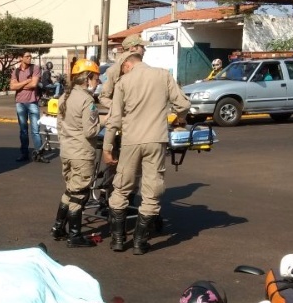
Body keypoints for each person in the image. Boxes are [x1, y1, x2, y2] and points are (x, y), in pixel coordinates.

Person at [102, 53, 192, 255]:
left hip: (130, 141)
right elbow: (184, 104)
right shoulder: (163, 75)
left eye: (121, 67)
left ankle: (117, 239)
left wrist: (107, 148)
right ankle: (139, 242)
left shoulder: (124, 82)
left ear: (127, 64)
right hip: (156, 140)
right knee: (152, 191)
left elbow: (114, 119)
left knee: (121, 188)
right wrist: (180, 119)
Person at [50, 60, 102, 248]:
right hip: (82, 153)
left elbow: (59, 126)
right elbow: (90, 132)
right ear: (88, 78)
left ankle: (58, 227)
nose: (98, 82)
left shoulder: (64, 96)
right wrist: (103, 122)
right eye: (96, 78)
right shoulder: (87, 100)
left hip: (67, 151)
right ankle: (75, 235)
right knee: (80, 194)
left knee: (71, 189)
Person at [99, 34, 148, 109]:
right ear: (132, 48)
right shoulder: (113, 71)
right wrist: (120, 108)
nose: (144, 50)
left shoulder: (143, 67)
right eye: (142, 47)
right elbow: (103, 98)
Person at [9, 51, 42, 161]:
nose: (29, 58)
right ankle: (24, 154)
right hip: (20, 103)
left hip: (32, 102)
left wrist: (20, 85)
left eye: (30, 56)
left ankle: (38, 154)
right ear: (20, 58)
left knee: (35, 130)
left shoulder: (35, 68)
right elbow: (12, 87)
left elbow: (34, 84)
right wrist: (27, 81)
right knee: (23, 130)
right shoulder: (16, 71)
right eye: (27, 56)